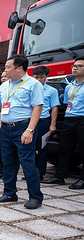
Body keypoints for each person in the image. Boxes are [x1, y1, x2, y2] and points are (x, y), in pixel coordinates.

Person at [0, 54, 44, 209]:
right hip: (6, 128)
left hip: (23, 127)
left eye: (8, 67)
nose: (4, 71)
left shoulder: (33, 84)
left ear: (19, 68)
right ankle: (9, 192)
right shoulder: (5, 85)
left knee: (27, 163)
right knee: (8, 162)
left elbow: (37, 107)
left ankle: (35, 197)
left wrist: (30, 130)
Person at [42, 57, 84, 189]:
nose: (75, 67)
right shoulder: (69, 86)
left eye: (79, 66)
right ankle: (59, 177)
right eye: (74, 65)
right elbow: (66, 103)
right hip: (69, 119)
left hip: (82, 120)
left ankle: (83, 179)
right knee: (64, 150)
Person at [26, 66, 58, 181]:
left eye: (42, 77)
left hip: (44, 121)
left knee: (42, 148)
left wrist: (52, 124)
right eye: (36, 77)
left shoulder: (52, 91)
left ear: (46, 77)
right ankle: (31, 172)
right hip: (30, 122)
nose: (39, 80)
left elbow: (54, 108)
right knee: (30, 147)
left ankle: (40, 173)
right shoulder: (29, 88)